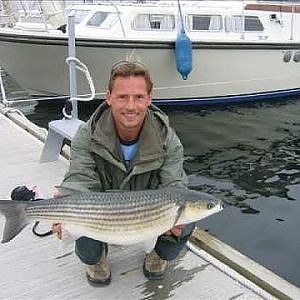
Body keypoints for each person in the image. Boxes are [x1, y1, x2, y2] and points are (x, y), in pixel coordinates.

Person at [52, 61, 195, 285]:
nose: (131, 106)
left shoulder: (168, 140)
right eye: (122, 97)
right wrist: (65, 210)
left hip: (149, 212)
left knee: (187, 217)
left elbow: (175, 185)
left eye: (139, 97)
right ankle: (96, 259)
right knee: (80, 227)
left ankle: (158, 254)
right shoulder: (86, 135)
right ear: (108, 97)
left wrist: (176, 222)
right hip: (101, 211)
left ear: (150, 98)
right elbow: (80, 178)